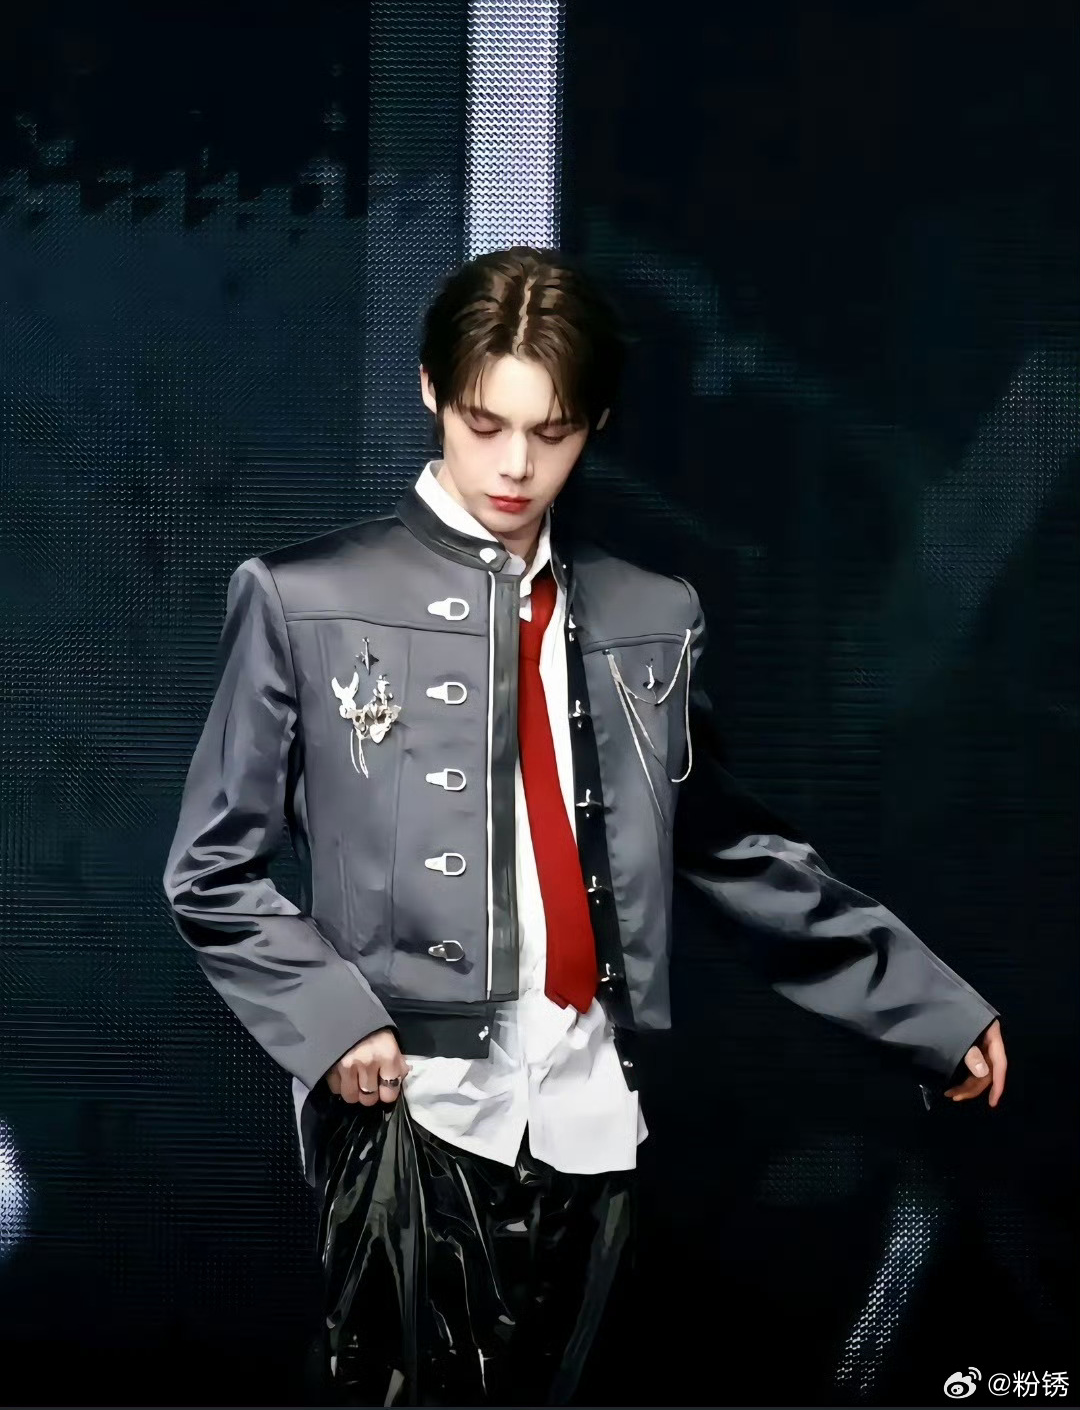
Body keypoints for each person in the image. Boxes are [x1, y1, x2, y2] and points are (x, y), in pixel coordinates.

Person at [161, 245, 1007, 1407]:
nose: (515, 464)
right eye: (485, 424)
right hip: (411, 1100)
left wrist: (924, 1007)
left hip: (593, 1100)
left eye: (549, 431)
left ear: (593, 422)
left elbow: (726, 846)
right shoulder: (304, 597)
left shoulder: (649, 614)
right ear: (431, 391)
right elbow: (211, 866)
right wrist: (333, 1019)